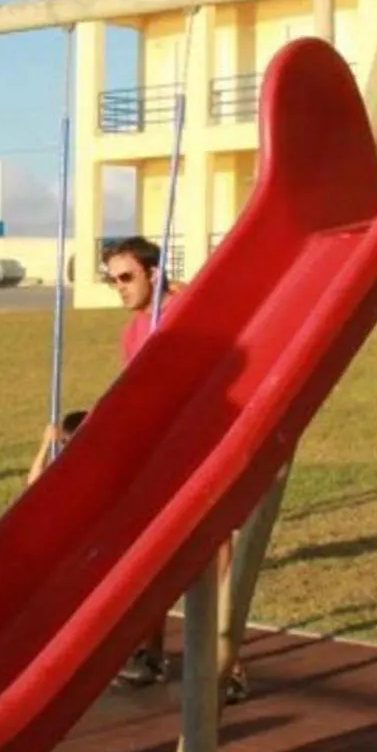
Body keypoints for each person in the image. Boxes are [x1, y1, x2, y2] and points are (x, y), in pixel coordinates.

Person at [99, 236, 248, 704]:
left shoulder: (188, 309)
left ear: (153, 273)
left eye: (126, 277)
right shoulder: (133, 331)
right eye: (112, 280)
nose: (118, 288)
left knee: (215, 549)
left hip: (205, 443)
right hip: (159, 452)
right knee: (153, 550)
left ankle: (231, 666)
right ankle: (150, 652)